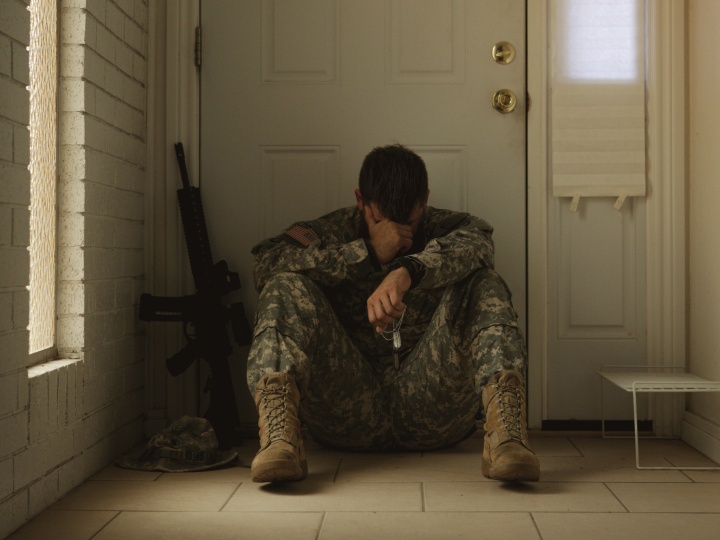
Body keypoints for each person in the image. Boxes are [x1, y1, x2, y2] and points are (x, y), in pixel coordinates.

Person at [246, 144, 540, 483]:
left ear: (425, 200)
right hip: (345, 406)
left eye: (410, 222)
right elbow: (265, 264)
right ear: (361, 200)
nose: (401, 235)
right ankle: (280, 442)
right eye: (383, 219)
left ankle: (507, 440)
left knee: (484, 282)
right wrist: (367, 252)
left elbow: (480, 246)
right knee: (284, 286)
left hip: (433, 404)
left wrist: (408, 270)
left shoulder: (451, 227)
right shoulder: (332, 231)